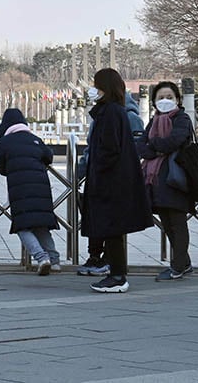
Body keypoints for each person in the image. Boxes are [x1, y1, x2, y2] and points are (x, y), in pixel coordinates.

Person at [82, 68, 152, 293]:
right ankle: (115, 273)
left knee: (112, 228)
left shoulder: (110, 112)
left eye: (96, 85)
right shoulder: (113, 111)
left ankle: (118, 276)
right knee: (111, 229)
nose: (94, 89)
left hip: (111, 182)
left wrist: (97, 173)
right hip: (113, 180)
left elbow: (109, 149)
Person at [77, 91, 144, 276]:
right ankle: (95, 256)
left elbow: (134, 148)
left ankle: (111, 263)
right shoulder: (101, 114)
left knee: (112, 223)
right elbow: (91, 147)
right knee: (94, 219)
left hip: (114, 179)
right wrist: (82, 169)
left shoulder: (126, 116)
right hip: (95, 176)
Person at [137, 81, 195, 281]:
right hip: (156, 180)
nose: (165, 101)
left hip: (175, 177)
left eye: (169, 97)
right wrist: (156, 147)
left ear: (178, 99)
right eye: (160, 97)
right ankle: (184, 263)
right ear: (153, 101)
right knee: (168, 223)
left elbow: (175, 141)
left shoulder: (182, 118)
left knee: (178, 222)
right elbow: (141, 146)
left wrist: (154, 146)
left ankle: (178, 265)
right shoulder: (153, 121)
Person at [0, 108, 60, 275]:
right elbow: (48, 157)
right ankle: (54, 261)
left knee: (23, 226)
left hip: (19, 190)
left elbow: (0, 166)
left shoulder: (5, 143)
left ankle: (41, 257)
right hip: (41, 188)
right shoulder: (35, 139)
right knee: (42, 226)